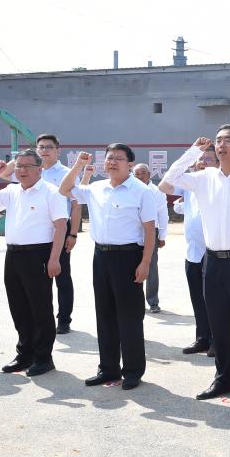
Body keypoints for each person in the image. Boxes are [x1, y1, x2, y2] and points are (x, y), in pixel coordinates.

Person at [162, 126, 230, 405]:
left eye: (227, 140)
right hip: (212, 262)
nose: (221, 145)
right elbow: (170, 178)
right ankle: (223, 378)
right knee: (218, 324)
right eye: (218, 141)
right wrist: (194, 151)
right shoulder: (204, 178)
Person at [59, 145, 157, 390]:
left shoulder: (142, 191)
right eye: (109, 158)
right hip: (101, 256)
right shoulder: (96, 188)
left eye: (118, 159)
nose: (112, 162)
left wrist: (145, 262)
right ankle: (108, 368)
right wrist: (78, 166)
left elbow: (149, 230)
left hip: (129, 257)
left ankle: (133, 371)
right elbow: (64, 189)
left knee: (129, 317)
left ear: (130, 164)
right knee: (104, 315)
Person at [0, 151, 67, 377]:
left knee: (40, 308)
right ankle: (24, 354)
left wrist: (54, 259)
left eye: (28, 166)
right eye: (18, 166)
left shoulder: (51, 192)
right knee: (18, 307)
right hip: (13, 255)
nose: (22, 170)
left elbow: (61, 227)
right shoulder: (12, 191)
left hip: (39, 255)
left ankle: (44, 357)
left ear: (40, 169)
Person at [161, 149, 219, 356]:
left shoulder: (220, 183)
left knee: (215, 301)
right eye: (200, 159)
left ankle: (217, 341)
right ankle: (202, 338)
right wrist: (191, 154)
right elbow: (164, 185)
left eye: (208, 159)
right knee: (197, 299)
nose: (203, 162)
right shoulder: (190, 184)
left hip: (215, 254)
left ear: (218, 163)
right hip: (193, 253)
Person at [35, 134, 82, 335]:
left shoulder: (67, 174)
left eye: (49, 147)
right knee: (38, 279)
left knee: (62, 277)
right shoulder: (33, 171)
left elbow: (76, 205)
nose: (44, 151)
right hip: (37, 230)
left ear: (58, 151)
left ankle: (64, 320)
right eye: (40, 147)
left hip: (61, 229)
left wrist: (73, 234)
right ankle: (41, 318)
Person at [132, 163, 168, 313]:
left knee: (151, 266)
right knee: (131, 265)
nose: (140, 176)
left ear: (149, 175)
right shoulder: (130, 189)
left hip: (151, 231)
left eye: (143, 173)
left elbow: (163, 213)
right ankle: (134, 300)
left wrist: (162, 235)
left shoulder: (157, 191)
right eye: (137, 174)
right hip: (132, 232)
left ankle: (153, 301)